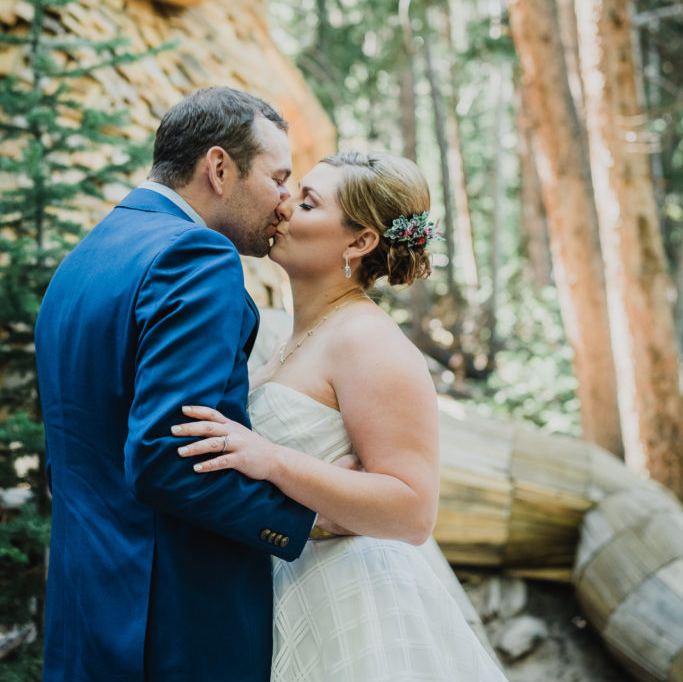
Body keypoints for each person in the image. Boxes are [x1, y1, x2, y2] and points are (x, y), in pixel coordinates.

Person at [171, 151, 509, 681]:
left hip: (355, 608)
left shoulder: (368, 340)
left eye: (307, 203)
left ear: (359, 241)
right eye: (292, 191)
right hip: (284, 586)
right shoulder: (293, 339)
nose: (283, 206)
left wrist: (275, 461)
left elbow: (414, 510)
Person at [34, 87, 317, 682]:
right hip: (175, 621)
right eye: (279, 177)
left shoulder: (87, 254)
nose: (286, 201)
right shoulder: (196, 256)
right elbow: (166, 457)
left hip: (86, 605)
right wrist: (305, 520)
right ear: (219, 168)